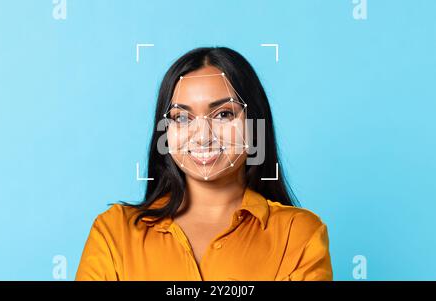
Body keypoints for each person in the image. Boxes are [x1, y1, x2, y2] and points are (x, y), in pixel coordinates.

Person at [75, 47, 333, 281]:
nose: (202, 135)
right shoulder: (114, 232)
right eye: (182, 117)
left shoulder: (298, 235)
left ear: (255, 124)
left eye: (223, 114)